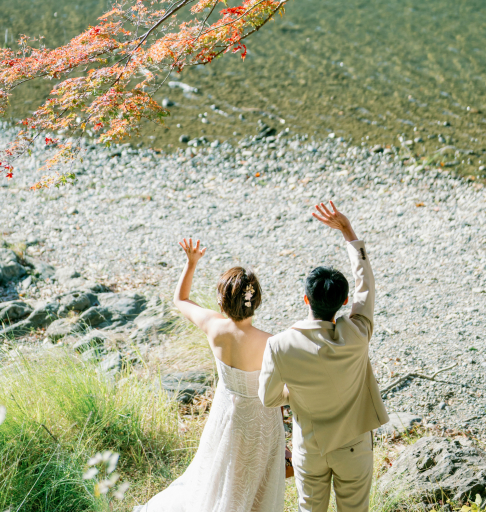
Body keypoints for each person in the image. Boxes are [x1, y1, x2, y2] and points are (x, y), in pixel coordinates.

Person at [134, 238, 284, 512]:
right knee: (257, 478)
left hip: (227, 413)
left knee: (221, 474)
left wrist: (191, 264)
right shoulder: (272, 342)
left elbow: (180, 298)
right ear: (257, 301)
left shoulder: (214, 326)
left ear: (222, 301)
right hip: (262, 421)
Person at [259, 202, 388, 512]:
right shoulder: (357, 333)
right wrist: (347, 231)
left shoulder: (280, 345)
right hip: (354, 445)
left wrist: (297, 391)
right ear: (344, 302)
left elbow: (268, 397)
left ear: (306, 298)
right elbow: (366, 286)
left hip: (311, 447)